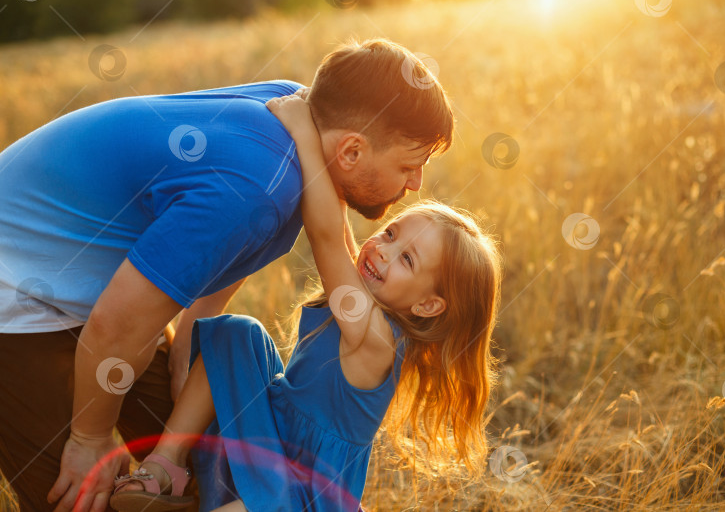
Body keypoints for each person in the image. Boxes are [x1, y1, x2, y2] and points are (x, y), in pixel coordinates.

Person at [0, 38, 454, 512]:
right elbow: (117, 323)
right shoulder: (257, 186)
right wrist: (90, 437)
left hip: (87, 286)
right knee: (80, 495)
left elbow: (236, 244)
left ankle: (170, 475)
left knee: (206, 451)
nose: (416, 183)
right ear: (351, 151)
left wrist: (184, 347)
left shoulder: (303, 113)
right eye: (409, 165)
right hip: (16, 288)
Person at [107, 91, 502, 511]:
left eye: (406, 258)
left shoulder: (375, 340)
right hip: (271, 441)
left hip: (303, 492)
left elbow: (328, 235)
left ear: (427, 306)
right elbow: (338, 219)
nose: (383, 249)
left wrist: (302, 132)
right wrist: (338, 152)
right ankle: (167, 463)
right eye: (390, 233)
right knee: (240, 335)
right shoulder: (365, 296)